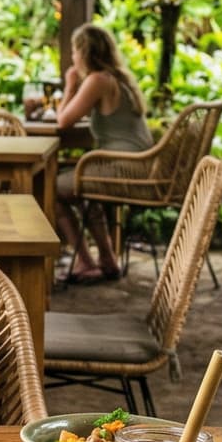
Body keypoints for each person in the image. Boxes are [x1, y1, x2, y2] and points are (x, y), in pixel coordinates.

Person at [54, 23, 153, 283]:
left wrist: (70, 85)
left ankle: (85, 261)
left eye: (75, 51)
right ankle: (107, 259)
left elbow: (63, 121)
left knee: (50, 189)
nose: (73, 57)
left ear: (84, 53)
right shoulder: (119, 77)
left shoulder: (97, 80)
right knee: (82, 186)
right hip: (137, 164)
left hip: (124, 167)